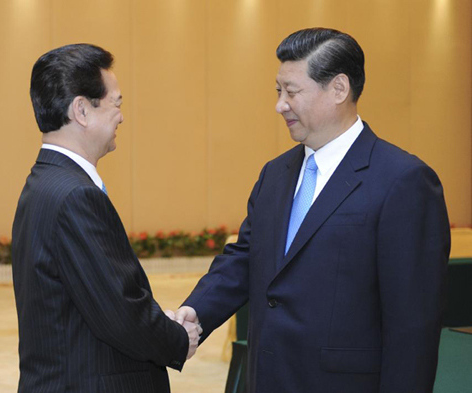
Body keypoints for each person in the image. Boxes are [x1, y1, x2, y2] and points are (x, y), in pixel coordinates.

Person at [173, 28, 450, 393]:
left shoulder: (403, 181)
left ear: (338, 89)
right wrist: (196, 312)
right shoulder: (275, 173)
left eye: (292, 92)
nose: (280, 105)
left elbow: (412, 327)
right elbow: (244, 258)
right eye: (278, 91)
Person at [12, 44, 201, 393]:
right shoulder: (76, 195)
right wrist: (177, 338)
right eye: (117, 103)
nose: (121, 116)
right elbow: (120, 313)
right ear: (82, 110)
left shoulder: (44, 181)